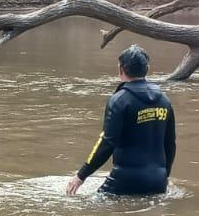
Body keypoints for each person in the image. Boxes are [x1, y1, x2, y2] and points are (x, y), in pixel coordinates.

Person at [66, 44, 177, 197]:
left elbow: (107, 142)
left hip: (124, 181)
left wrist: (81, 176)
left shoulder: (119, 100)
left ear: (120, 69)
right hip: (158, 182)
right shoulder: (164, 100)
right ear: (147, 69)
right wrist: (165, 176)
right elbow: (170, 144)